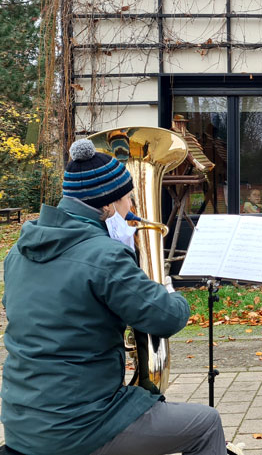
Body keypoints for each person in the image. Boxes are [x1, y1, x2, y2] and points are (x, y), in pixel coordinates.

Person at [1, 139, 228, 455]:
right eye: (128, 200)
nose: (131, 209)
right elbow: (167, 317)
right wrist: (165, 284)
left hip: (22, 420)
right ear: (107, 207)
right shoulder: (105, 255)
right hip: (79, 424)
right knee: (205, 423)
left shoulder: (17, 252)